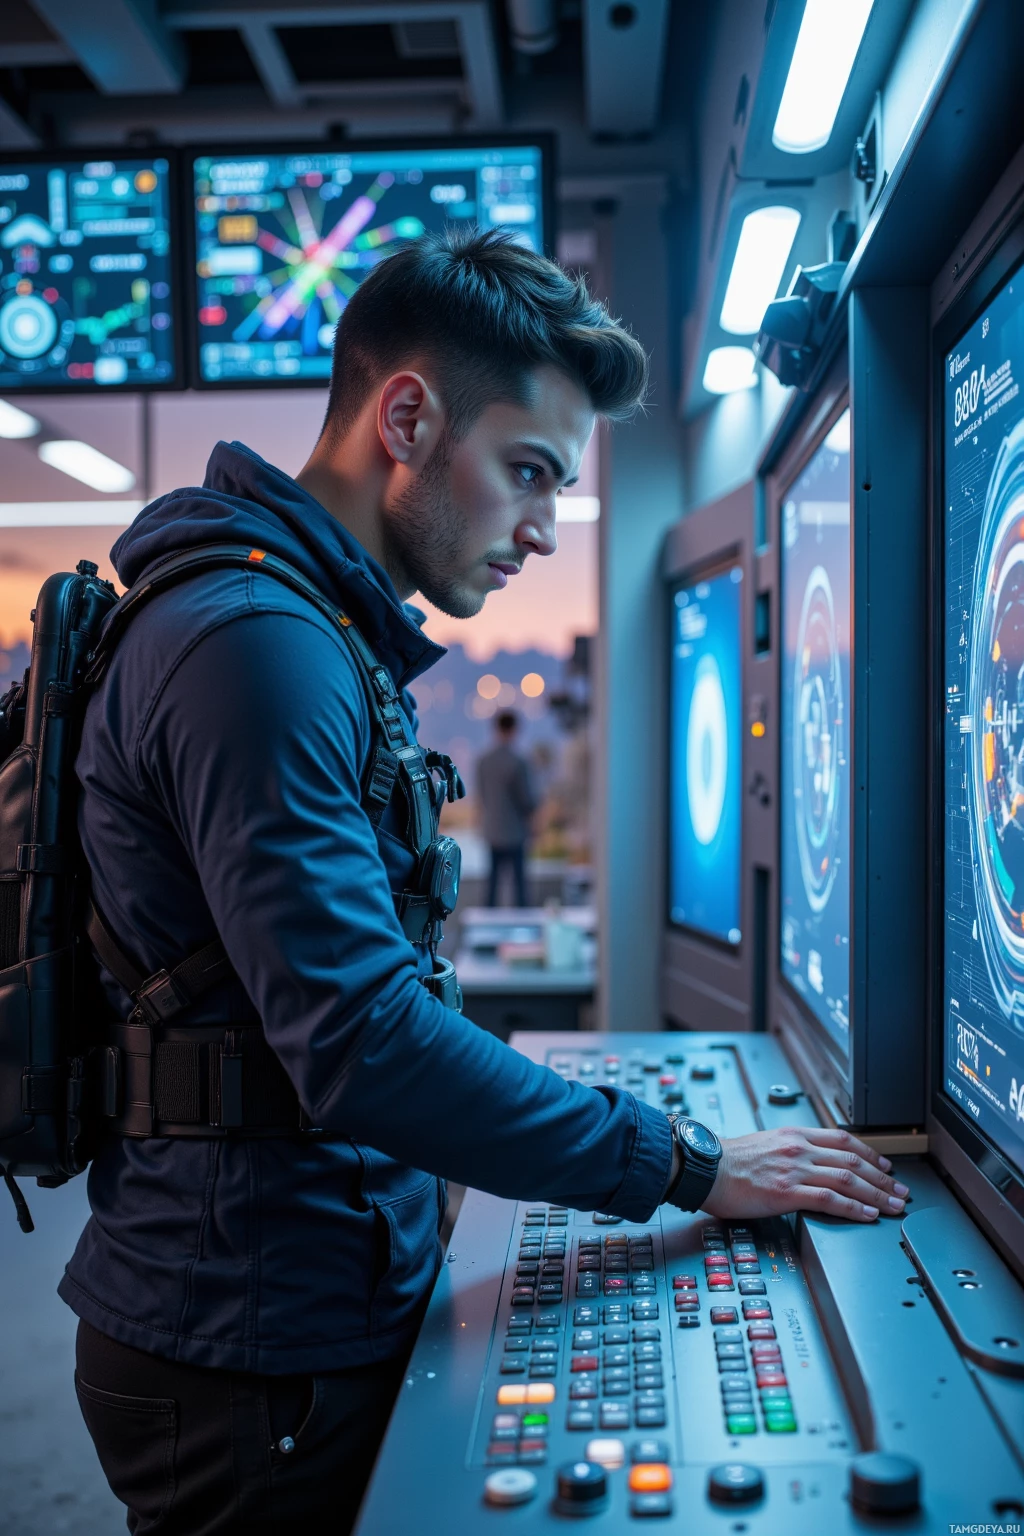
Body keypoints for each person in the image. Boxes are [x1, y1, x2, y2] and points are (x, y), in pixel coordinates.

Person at [62, 228, 910, 1535]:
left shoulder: (302, 628)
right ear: (407, 416)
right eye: (528, 472)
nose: (541, 529)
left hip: (293, 1293)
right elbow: (365, 1047)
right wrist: (685, 1165)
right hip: (249, 1341)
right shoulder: (254, 646)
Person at [477, 709, 537, 906]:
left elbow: (482, 796)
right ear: (514, 729)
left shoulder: (483, 761)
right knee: (519, 886)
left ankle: (486, 928)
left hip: (492, 829)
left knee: (492, 886)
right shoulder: (519, 762)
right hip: (515, 831)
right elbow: (527, 800)